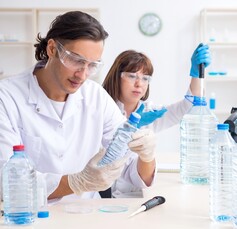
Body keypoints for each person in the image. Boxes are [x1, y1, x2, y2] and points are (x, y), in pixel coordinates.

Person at [0, 11, 157, 201]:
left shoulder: (96, 96)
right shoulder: (7, 97)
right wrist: (77, 182)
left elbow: (132, 171)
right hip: (31, 219)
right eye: (76, 60)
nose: (82, 74)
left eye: (92, 65)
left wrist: (147, 156)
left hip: (88, 218)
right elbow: (7, 183)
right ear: (51, 49)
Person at [102, 44, 211, 197]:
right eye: (132, 76)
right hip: (102, 195)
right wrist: (129, 128)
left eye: (145, 78)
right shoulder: (102, 108)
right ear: (117, 76)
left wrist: (196, 75)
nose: (139, 84)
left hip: (136, 195)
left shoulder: (149, 112)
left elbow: (187, 108)